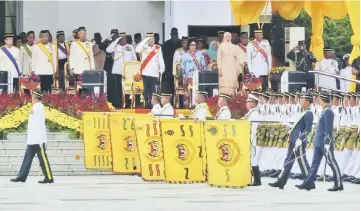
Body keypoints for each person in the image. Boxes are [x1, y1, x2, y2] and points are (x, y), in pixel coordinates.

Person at [296, 92, 343, 191]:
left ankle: (338, 183)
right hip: (318, 142)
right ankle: (308, 183)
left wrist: (327, 142)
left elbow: (329, 130)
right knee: (314, 164)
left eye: (318, 98)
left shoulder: (328, 112)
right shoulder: (323, 111)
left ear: (322, 99)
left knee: (331, 162)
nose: (317, 100)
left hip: (324, 142)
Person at [268, 93, 313, 189]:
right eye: (301, 100)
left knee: (302, 161)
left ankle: (309, 182)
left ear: (308, 102)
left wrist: (301, 139)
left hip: (298, 141)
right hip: (293, 140)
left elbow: (308, 129)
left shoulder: (309, 113)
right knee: (288, 161)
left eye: (303, 101)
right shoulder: (303, 112)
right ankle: (281, 181)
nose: (301, 102)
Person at [10, 89, 54, 184]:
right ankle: (22, 176)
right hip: (32, 139)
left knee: (43, 160)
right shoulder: (35, 107)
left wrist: (40, 139)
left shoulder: (39, 108)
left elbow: (39, 124)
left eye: (33, 95)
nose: (31, 96)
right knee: (27, 159)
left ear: (35, 97)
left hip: (38, 140)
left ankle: (49, 177)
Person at [106, 32, 137, 108]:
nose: (123, 40)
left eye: (124, 38)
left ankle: (128, 103)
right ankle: (118, 103)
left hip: (128, 72)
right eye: (121, 38)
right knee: (118, 88)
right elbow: (108, 50)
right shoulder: (116, 46)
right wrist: (116, 40)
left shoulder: (130, 47)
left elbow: (135, 58)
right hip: (118, 71)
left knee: (128, 88)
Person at [135, 32, 165, 109]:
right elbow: (137, 50)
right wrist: (145, 40)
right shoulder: (143, 47)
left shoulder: (158, 47)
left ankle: (152, 106)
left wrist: (162, 67)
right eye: (150, 39)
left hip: (154, 73)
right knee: (145, 91)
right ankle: (145, 105)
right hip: (145, 73)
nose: (151, 40)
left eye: (152, 38)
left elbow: (160, 58)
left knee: (153, 91)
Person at [180, 38, 205, 107]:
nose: (193, 46)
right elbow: (182, 67)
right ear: (189, 46)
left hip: (198, 75)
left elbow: (203, 65)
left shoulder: (199, 53)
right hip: (188, 76)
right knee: (190, 83)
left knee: (199, 84)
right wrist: (184, 76)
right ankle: (189, 104)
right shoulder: (185, 54)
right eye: (191, 45)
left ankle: (198, 103)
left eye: (194, 45)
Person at [244, 94, 262, 186]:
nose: (247, 103)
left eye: (249, 102)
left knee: (253, 159)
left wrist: (250, 140)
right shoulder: (250, 113)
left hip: (253, 140)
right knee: (251, 159)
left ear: (254, 103)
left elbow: (254, 129)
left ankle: (257, 180)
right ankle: (256, 180)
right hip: (249, 139)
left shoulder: (254, 114)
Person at [217, 32, 240, 96]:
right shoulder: (221, 46)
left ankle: (232, 99)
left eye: (229, 36)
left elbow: (237, 59)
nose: (228, 38)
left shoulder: (235, 47)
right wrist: (219, 69)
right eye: (226, 36)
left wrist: (238, 69)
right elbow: (219, 59)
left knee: (232, 82)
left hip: (232, 68)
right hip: (224, 67)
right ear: (224, 37)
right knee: (224, 82)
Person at [99, 29, 119, 102]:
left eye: (116, 34)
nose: (115, 36)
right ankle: (110, 100)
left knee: (117, 83)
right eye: (113, 35)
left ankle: (117, 100)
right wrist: (107, 38)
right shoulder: (108, 43)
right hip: (109, 64)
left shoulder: (120, 43)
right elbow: (100, 47)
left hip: (117, 65)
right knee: (109, 83)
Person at [162, 27, 182, 95]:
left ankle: (179, 102)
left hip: (180, 70)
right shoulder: (166, 44)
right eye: (173, 34)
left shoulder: (181, 43)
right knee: (169, 89)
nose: (174, 36)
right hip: (169, 69)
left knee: (180, 87)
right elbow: (164, 57)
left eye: (175, 34)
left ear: (177, 34)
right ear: (170, 35)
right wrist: (165, 70)